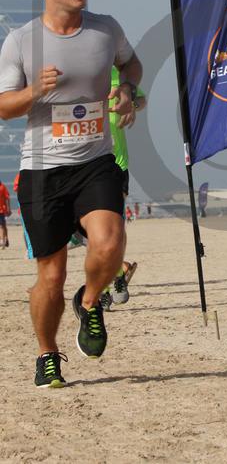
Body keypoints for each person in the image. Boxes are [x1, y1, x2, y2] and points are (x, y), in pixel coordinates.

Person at [0, 0, 142, 388]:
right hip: (43, 170)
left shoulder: (105, 29)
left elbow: (131, 65)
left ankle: (91, 300)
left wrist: (126, 91)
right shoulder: (22, 41)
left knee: (110, 242)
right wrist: (33, 92)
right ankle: (47, 353)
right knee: (51, 275)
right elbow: (4, 106)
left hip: (95, 161)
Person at [99, 65, 145, 310]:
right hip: (83, 160)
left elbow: (142, 99)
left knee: (112, 228)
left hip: (116, 163)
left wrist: (131, 104)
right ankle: (118, 271)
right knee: (89, 232)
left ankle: (110, 284)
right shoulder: (76, 68)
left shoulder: (118, 72)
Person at [0, 180, 11, 249]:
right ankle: (3, 240)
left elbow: (7, 198)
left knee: (2, 226)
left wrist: (8, 209)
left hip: (2, 210)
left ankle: (3, 240)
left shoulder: (2, 187)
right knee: (2, 226)